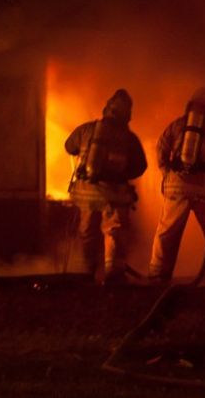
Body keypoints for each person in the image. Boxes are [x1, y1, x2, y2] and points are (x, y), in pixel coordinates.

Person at [148, 87, 205, 283]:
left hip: (177, 186)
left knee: (167, 231)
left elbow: (161, 149)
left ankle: (158, 272)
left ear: (190, 105)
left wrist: (167, 173)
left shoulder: (176, 125)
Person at [65, 89, 147, 285]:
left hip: (87, 193)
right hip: (115, 194)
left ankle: (86, 273)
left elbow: (69, 146)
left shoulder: (86, 129)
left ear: (106, 109)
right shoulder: (129, 138)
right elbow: (140, 166)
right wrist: (121, 175)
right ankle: (114, 274)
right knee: (114, 232)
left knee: (87, 232)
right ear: (127, 114)